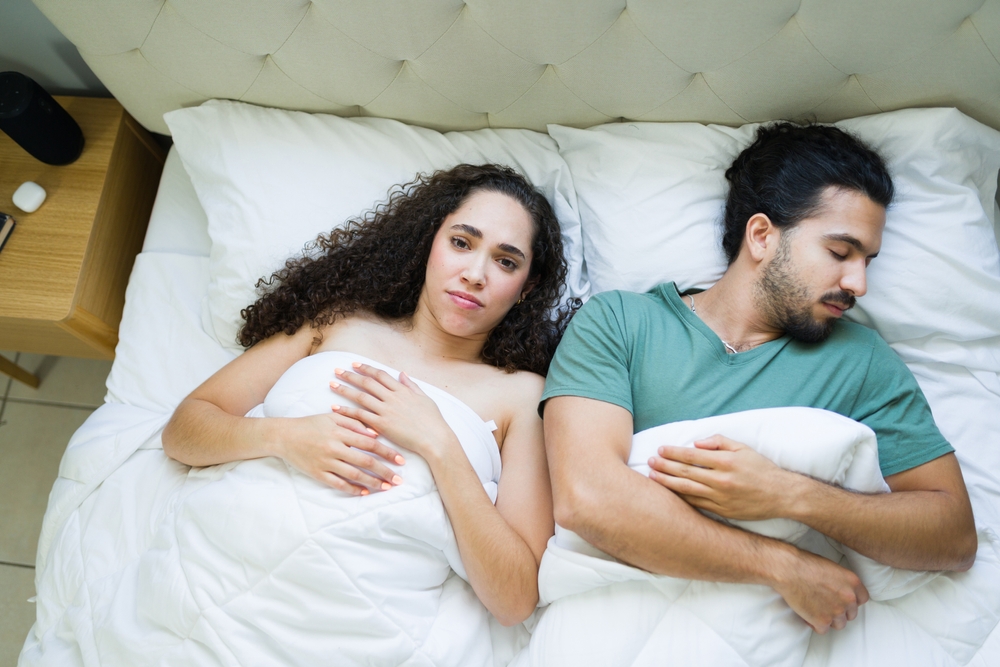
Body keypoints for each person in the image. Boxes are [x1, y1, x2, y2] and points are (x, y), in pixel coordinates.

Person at [541, 123, 977, 636]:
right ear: (763, 235)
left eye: (867, 261)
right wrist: (782, 566)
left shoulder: (862, 362)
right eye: (840, 252)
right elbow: (586, 498)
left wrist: (788, 495)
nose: (858, 283)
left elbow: (952, 537)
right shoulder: (620, 323)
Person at [162, 163, 577, 629]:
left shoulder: (523, 396)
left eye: (506, 261)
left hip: (357, 620)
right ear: (429, 245)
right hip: (222, 570)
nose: (475, 274)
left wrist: (440, 445)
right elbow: (183, 430)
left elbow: (516, 597)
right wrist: (284, 438)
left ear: (527, 287)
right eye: (461, 243)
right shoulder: (335, 323)